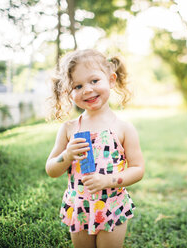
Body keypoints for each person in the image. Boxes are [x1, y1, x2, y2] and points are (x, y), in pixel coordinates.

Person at [45, 49, 145, 248]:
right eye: (78, 86)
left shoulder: (123, 128)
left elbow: (138, 169)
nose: (87, 90)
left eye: (94, 81)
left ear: (111, 80)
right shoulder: (69, 129)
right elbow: (51, 168)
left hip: (112, 204)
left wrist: (108, 180)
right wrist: (67, 155)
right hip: (79, 205)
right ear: (69, 92)